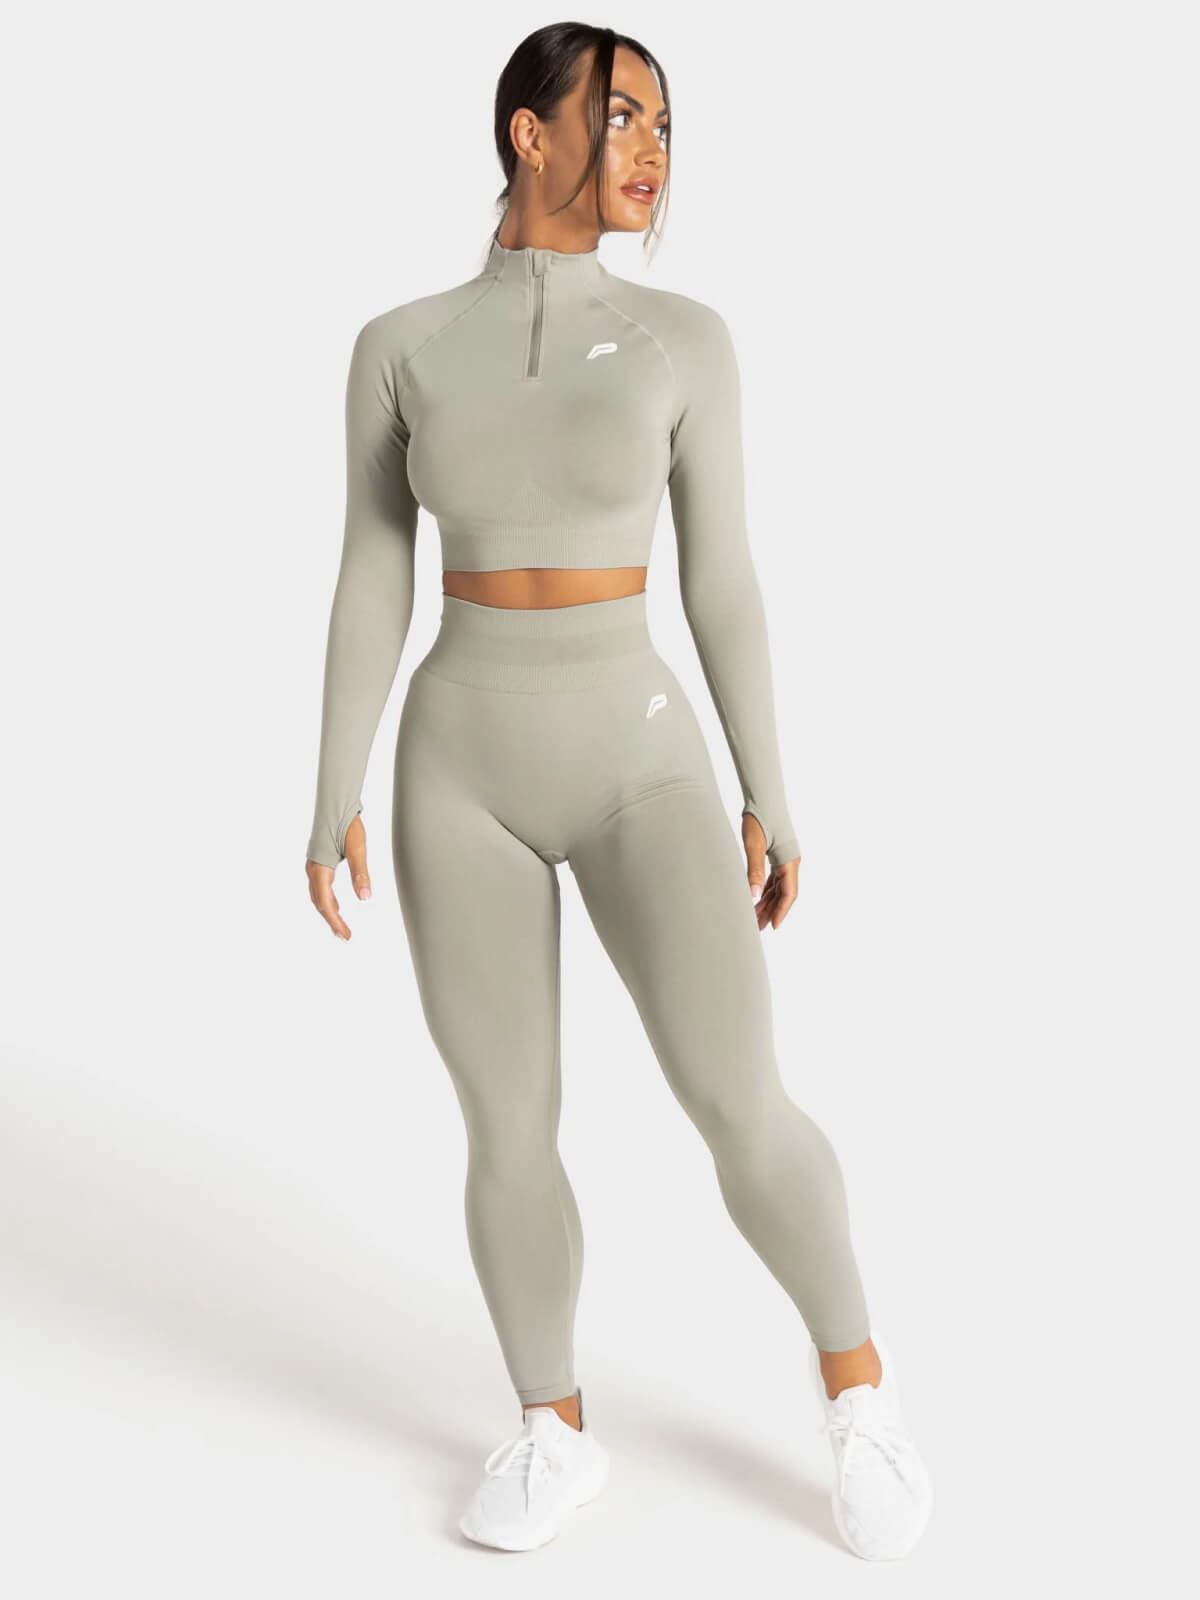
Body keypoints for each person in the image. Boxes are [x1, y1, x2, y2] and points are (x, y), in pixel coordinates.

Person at [304, 23, 932, 1561]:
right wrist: (331, 788)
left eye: (664, 124)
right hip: (459, 756)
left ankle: (860, 1396)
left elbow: (724, 582)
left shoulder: (684, 340)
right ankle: (552, 1428)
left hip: (637, 747)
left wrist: (771, 790)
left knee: (738, 1099)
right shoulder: (399, 345)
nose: (653, 149)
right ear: (531, 132)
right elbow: (374, 572)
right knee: (506, 1123)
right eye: (623, 115)